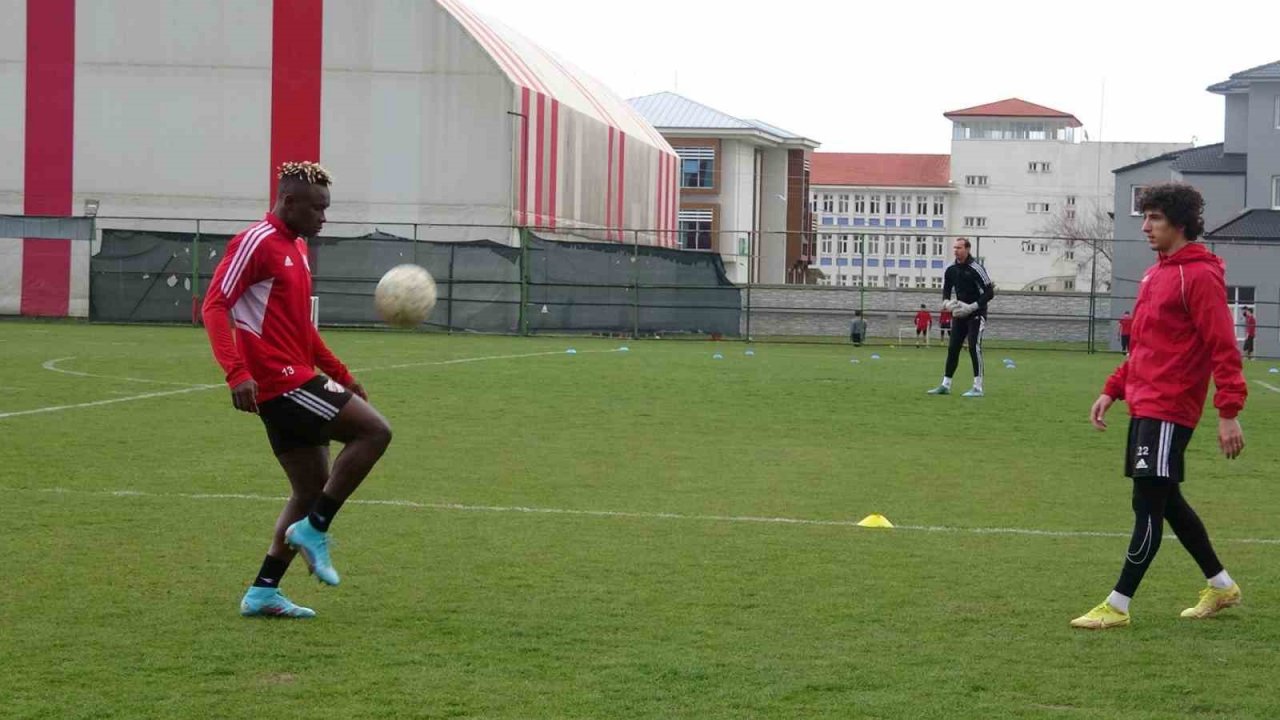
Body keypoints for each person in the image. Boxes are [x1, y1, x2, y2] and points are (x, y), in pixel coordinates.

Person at [202, 161, 394, 619]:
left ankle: (263, 591)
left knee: (308, 490)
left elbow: (302, 329)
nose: (324, 218)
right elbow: (215, 305)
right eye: (317, 209)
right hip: (281, 379)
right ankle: (317, 530)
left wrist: (341, 373)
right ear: (289, 202)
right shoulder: (255, 243)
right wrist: (235, 373)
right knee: (374, 433)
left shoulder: (297, 247)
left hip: (297, 373)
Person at [1072, 182, 1246, 630]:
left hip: (1170, 408)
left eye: (1155, 219)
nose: (1145, 226)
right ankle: (1222, 585)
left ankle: (1117, 604)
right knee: (1167, 502)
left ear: (1180, 224)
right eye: (1144, 216)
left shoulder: (1199, 275)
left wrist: (1228, 412)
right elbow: (1145, 345)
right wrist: (1113, 389)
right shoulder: (1157, 273)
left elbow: (1223, 346)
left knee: (1146, 501)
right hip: (1146, 404)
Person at [926, 238, 994, 397]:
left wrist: (972, 307)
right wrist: (946, 303)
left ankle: (978, 387)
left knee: (973, 346)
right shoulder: (950, 269)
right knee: (953, 348)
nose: (956, 250)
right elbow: (946, 289)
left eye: (959, 247)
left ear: (967, 249)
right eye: (954, 247)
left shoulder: (976, 268)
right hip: (959, 314)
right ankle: (945, 385)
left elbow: (990, 292)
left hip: (976, 314)